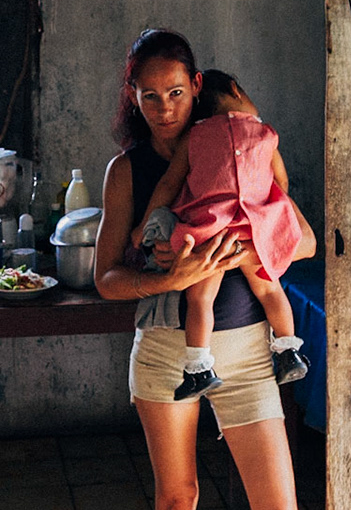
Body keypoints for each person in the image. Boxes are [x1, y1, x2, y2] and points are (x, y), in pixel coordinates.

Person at [94, 28, 351, 510]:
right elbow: (106, 278)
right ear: (134, 96)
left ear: (197, 85)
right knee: (177, 499)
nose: (165, 107)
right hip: (166, 350)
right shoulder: (128, 170)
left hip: (247, 351)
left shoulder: (241, 143)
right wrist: (174, 275)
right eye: (150, 95)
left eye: (177, 92)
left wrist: (252, 245)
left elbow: (301, 238)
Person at [130, 69, 309, 399]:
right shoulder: (265, 134)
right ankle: (287, 351)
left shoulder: (194, 137)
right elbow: (280, 184)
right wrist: (266, 217)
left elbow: (170, 183)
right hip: (251, 231)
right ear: (235, 90)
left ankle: (199, 366)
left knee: (200, 298)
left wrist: (144, 225)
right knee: (271, 292)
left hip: (208, 233)